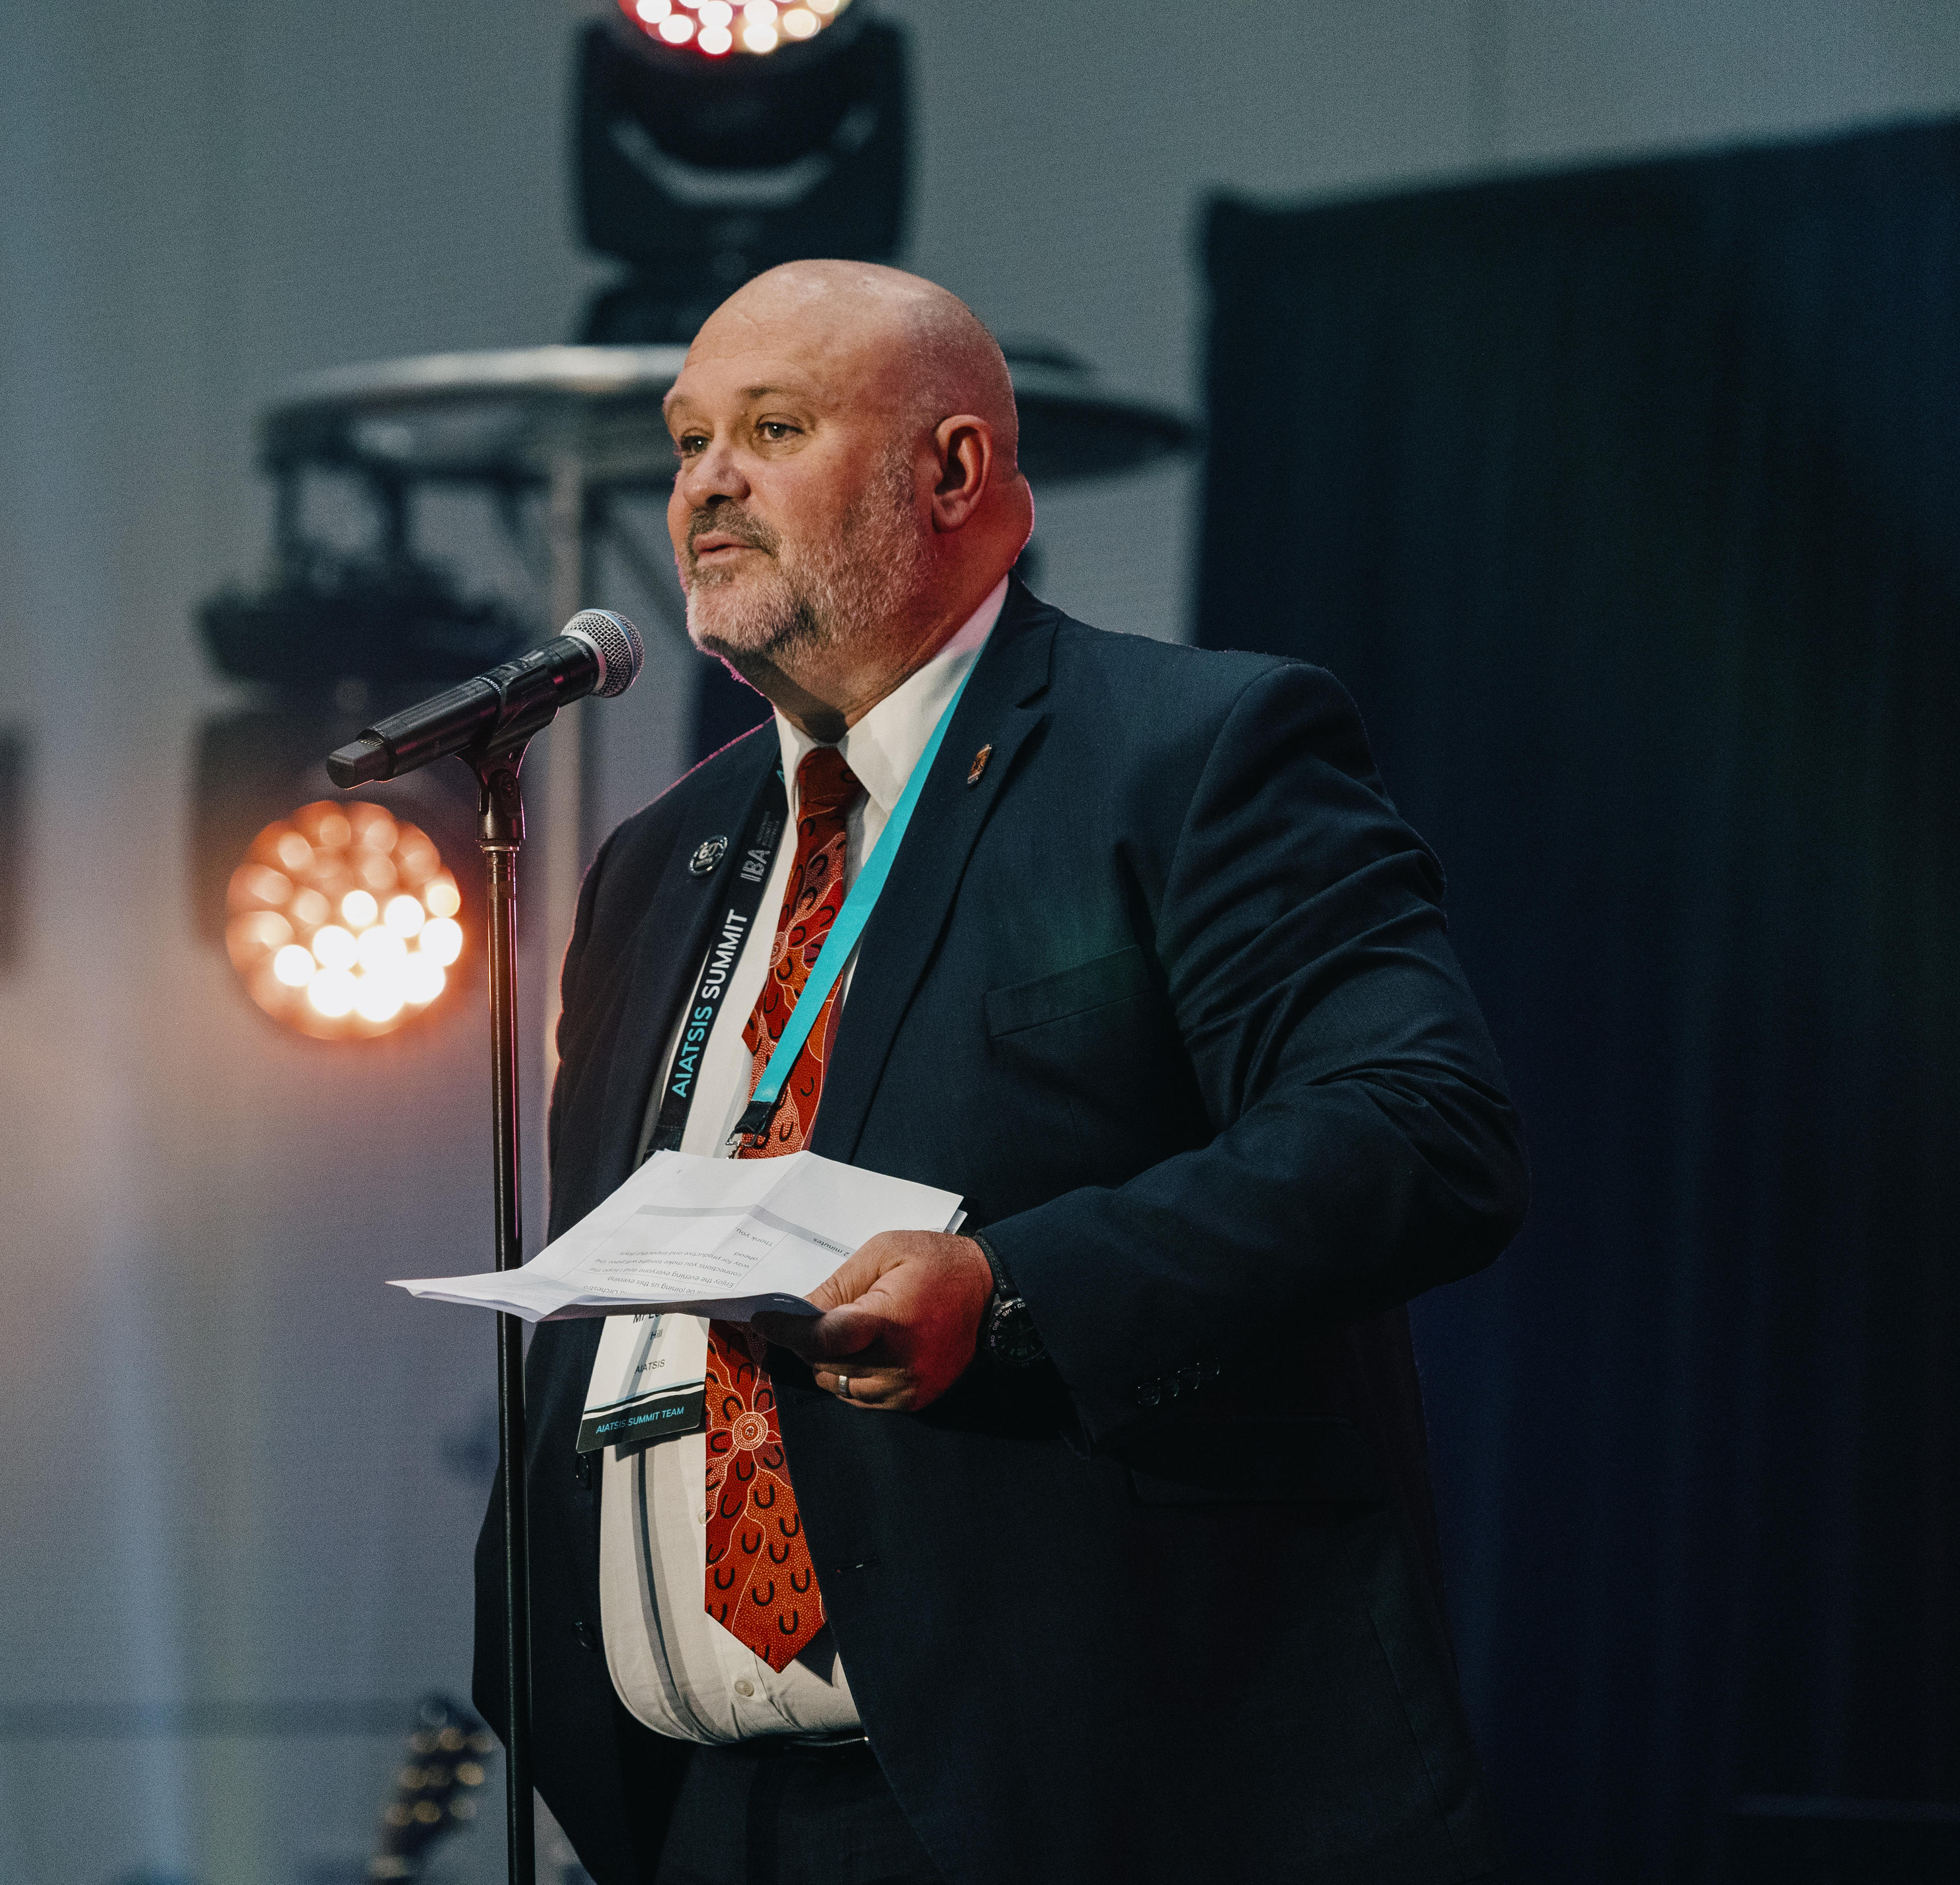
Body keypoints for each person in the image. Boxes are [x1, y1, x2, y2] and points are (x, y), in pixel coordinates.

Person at [475, 260, 1526, 1885]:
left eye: (774, 427)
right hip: (690, 1815)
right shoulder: (654, 862)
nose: (707, 484)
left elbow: (1417, 1133)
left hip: (1075, 1799)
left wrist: (1013, 1289)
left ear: (952, 472)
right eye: (688, 444)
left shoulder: (1190, 755)